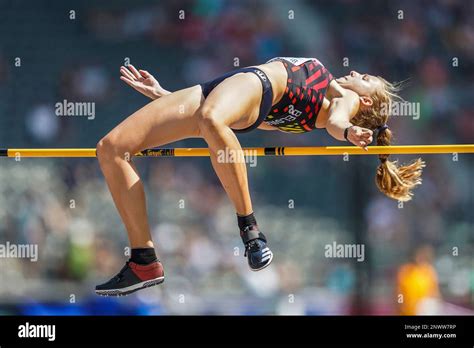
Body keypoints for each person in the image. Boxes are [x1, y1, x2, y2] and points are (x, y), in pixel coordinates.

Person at [95, 57, 425, 296]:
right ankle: (143, 259)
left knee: (210, 119)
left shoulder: (343, 99)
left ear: (364, 99)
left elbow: (339, 120)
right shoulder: (307, 116)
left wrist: (349, 131)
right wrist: (166, 98)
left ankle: (250, 230)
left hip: (247, 86)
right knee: (111, 148)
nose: (355, 71)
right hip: (229, 93)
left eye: (364, 77)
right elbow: (245, 115)